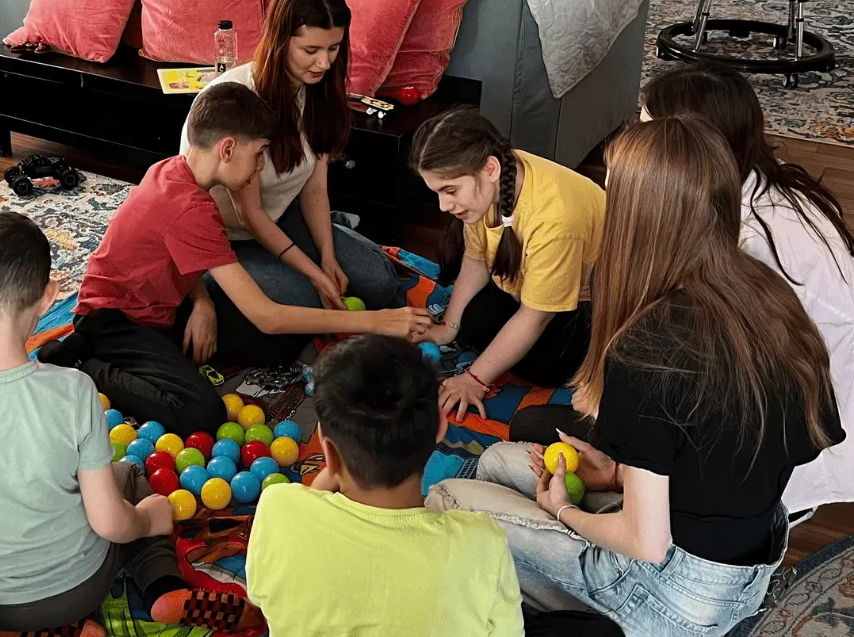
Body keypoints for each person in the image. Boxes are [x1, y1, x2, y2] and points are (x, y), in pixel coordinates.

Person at [442, 116, 844, 634]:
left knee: (449, 499)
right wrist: (615, 475)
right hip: (748, 563)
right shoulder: (768, 292)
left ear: (635, 214)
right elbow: (749, 449)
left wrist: (564, 513)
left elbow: (645, 543)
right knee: (499, 461)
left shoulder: (646, 346)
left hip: (674, 592)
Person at [0, 212, 258, 631]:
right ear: (48, 297)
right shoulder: (75, 391)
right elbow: (110, 524)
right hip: (80, 587)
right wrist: (151, 518)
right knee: (130, 477)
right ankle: (161, 587)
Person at [42, 82, 430, 434]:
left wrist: (203, 302)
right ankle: (85, 364)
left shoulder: (175, 171)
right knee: (202, 414)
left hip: (161, 308)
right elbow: (267, 314)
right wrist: (377, 321)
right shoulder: (188, 207)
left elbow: (182, 254)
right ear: (227, 148)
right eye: (259, 154)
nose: (262, 166)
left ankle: (152, 353)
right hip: (113, 320)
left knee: (276, 346)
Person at [245, 334, 622, 637]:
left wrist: (335, 461)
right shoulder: (480, 542)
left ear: (326, 446)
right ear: (441, 429)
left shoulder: (277, 507)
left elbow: (263, 594)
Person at [642, 63, 854, 513]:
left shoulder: (755, 244)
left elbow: (734, 373)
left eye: (647, 133)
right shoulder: (759, 185)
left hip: (801, 424)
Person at [178, 0, 401, 367]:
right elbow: (249, 214)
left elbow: (315, 186)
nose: (324, 62)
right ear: (281, 40)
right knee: (303, 300)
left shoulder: (320, 90)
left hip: (281, 220)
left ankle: (327, 242)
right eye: (310, 49)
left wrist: (328, 256)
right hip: (230, 238)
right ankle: (215, 287)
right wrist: (315, 274)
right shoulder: (243, 102)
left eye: (334, 48)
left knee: (379, 282)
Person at [410, 107, 606, 421]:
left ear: (489, 169)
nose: (443, 206)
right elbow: (475, 259)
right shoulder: (491, 181)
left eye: (450, 191)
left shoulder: (555, 219)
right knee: (471, 322)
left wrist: (474, 380)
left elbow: (536, 317)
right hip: (526, 286)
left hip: (591, 305)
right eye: (436, 192)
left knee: (547, 365)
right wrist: (448, 328)